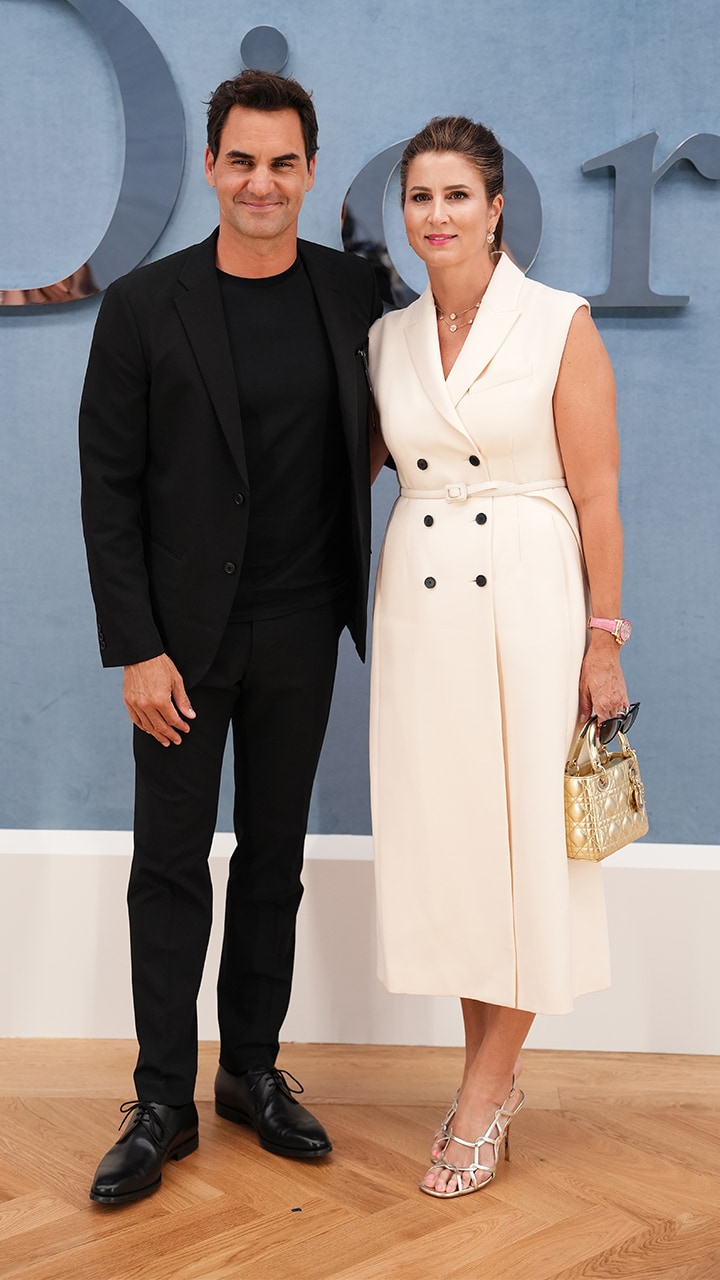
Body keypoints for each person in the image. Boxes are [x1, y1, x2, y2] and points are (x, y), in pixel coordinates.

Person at [79, 69, 381, 1205]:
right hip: (180, 644)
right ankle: (161, 1096)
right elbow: (108, 490)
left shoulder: (355, 293)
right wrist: (136, 647)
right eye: (242, 161)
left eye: (283, 163)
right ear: (212, 167)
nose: (263, 182)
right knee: (169, 866)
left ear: (310, 170)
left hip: (304, 626)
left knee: (273, 857)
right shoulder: (143, 305)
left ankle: (251, 1069)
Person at [367, 116, 630, 1198]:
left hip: (529, 598)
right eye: (419, 197)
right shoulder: (388, 338)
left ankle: (481, 1095)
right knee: (459, 847)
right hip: (420, 608)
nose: (436, 216)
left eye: (456, 195)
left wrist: (603, 640)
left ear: (496, 206)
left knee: (523, 840)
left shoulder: (558, 320)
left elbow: (598, 493)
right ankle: (494, 1075)